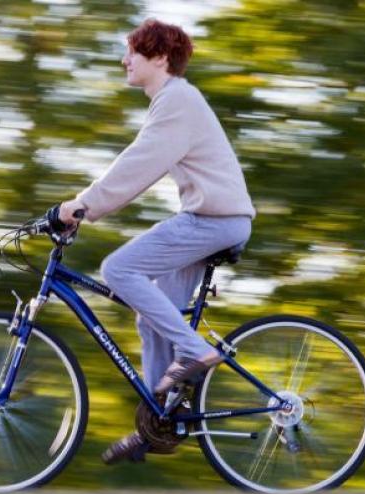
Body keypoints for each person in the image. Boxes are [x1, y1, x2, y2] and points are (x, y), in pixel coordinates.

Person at [56, 18, 256, 464]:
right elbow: (141, 164)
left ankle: (196, 352)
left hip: (213, 220)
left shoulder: (177, 99)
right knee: (150, 318)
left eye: (133, 52)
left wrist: (81, 206)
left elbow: (138, 164)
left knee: (118, 269)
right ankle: (158, 420)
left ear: (160, 58)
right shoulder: (172, 102)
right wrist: (89, 206)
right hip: (212, 220)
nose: (124, 60)